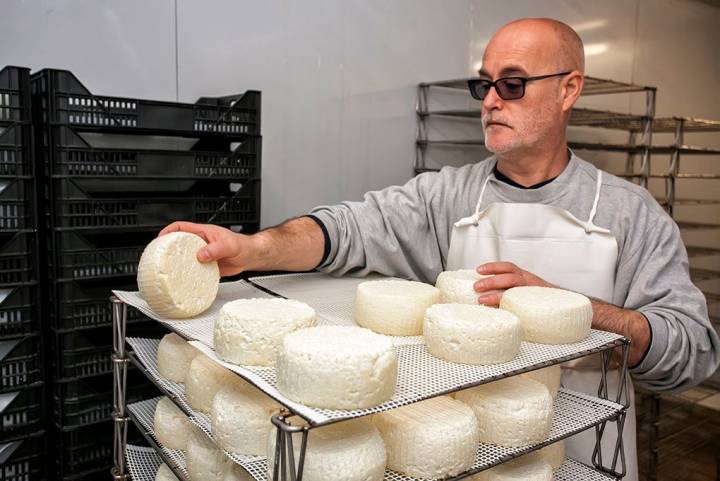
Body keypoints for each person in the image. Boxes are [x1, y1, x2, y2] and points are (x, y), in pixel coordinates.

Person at [160, 18, 719, 481]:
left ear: (569, 89)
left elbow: (694, 351)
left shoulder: (631, 213)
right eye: (486, 85)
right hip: (468, 457)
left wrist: (579, 312)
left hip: (584, 457)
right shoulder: (445, 196)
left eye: (514, 83)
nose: (492, 101)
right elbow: (345, 229)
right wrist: (253, 248)